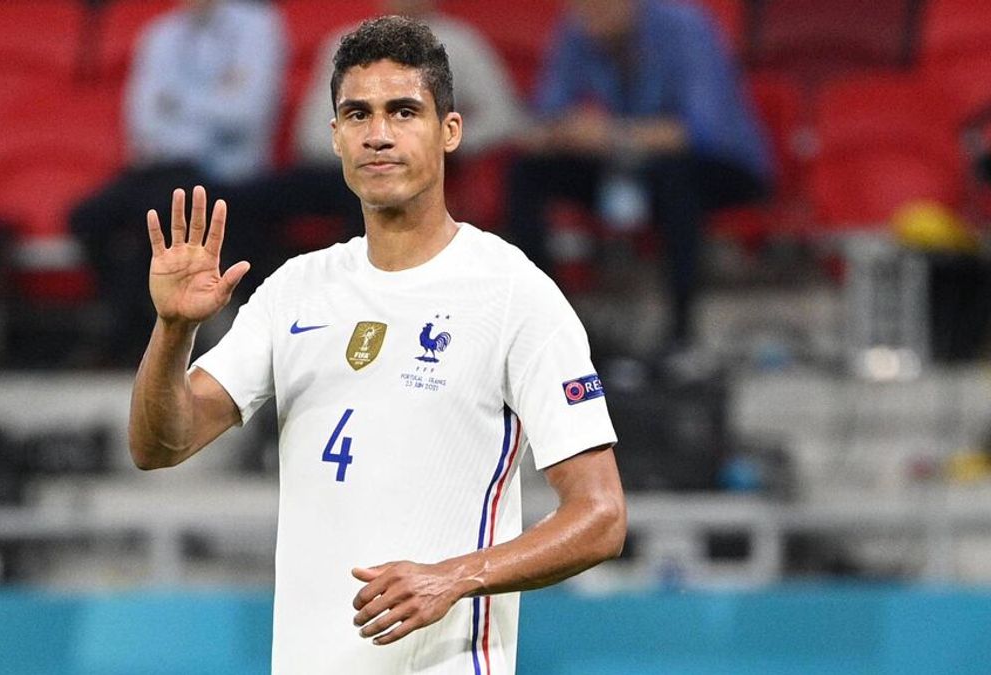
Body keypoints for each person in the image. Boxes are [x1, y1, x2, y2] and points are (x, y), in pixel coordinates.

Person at [129, 16, 625, 675]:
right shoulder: (295, 290)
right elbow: (159, 444)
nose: (379, 134)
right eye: (357, 113)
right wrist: (172, 332)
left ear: (450, 131)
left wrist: (455, 576)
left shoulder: (513, 293)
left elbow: (601, 515)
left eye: (404, 111)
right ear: (334, 136)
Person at [505, 0, 772, 349]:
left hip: (719, 166)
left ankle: (680, 334)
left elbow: (700, 131)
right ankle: (551, 324)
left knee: (677, 178)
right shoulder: (578, 27)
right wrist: (562, 133)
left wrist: (613, 134)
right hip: (632, 165)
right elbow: (546, 112)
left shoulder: (684, 27)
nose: (588, 14)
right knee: (528, 171)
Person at [227, 0, 527, 287]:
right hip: (338, 168)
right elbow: (311, 135)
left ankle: (362, 298)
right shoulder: (345, 44)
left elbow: (503, 118)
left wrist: (431, 142)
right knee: (241, 205)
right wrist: (361, 145)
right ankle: (260, 299)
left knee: (375, 198)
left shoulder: (459, 43)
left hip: (415, 170)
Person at [68, 0, 285, 364]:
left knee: (161, 207)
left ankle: (153, 337)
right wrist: (213, 103)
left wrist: (178, 106)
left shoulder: (258, 27)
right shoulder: (160, 35)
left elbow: (246, 114)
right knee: (88, 218)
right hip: (162, 168)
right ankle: (136, 322)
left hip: (229, 173)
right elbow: (144, 121)